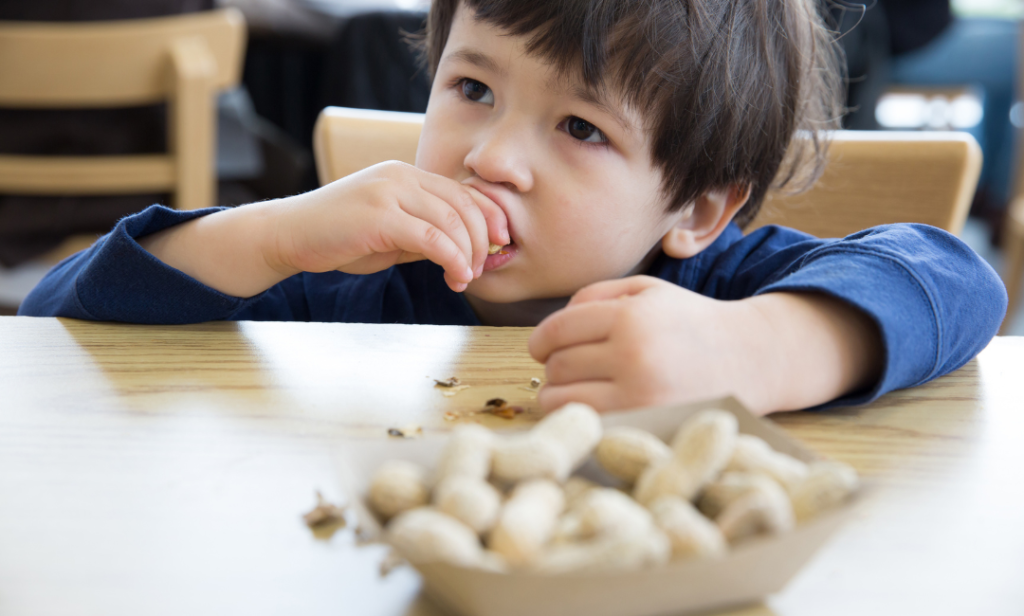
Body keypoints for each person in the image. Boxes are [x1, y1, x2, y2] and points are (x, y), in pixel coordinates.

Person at [20, 0, 1007, 417]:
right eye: (473, 90)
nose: (490, 156)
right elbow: (55, 321)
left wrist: (758, 350)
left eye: (580, 128)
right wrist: (274, 231)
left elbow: (955, 277)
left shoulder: (714, 291)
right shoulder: (346, 278)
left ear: (696, 210)